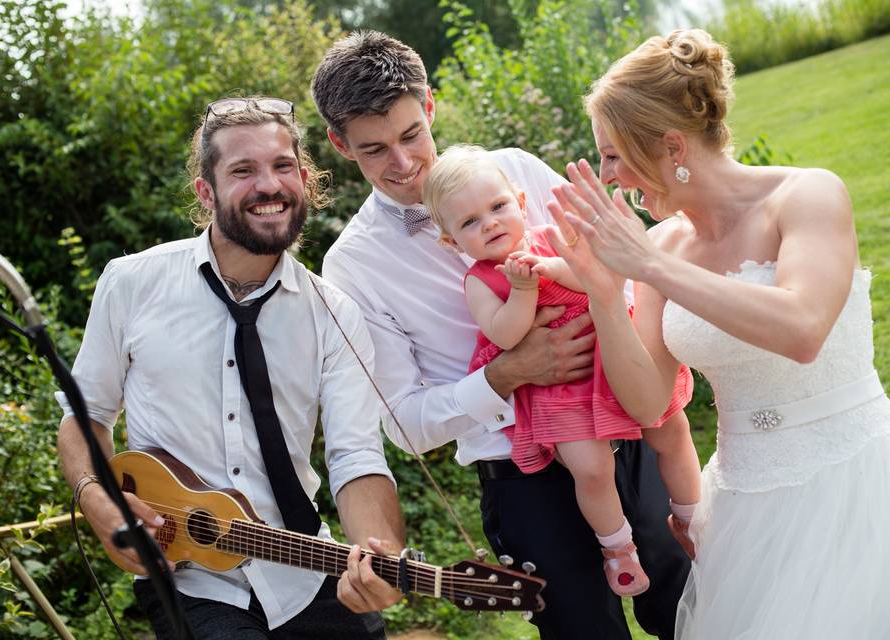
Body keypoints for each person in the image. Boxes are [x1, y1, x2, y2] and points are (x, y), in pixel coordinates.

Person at [548, 28, 890, 639]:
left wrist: (651, 267)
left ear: (672, 146)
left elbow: (802, 328)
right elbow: (650, 402)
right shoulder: (661, 246)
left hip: (859, 483)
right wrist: (604, 293)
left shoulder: (807, 195)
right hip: (743, 504)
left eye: (613, 154)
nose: (609, 178)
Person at [313, 31, 692, 639]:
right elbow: (407, 427)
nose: (404, 164)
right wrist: (508, 373)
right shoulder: (353, 267)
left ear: (430, 106)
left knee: (688, 608)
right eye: (375, 150)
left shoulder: (514, 169)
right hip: (522, 479)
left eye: (412, 135)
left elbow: (616, 270)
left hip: (620, 426)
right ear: (339, 144)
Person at [56, 96, 406, 639]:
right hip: (189, 580)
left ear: (305, 179)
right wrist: (95, 499)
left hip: (307, 570)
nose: (269, 185)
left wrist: (380, 556)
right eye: (243, 170)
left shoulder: (335, 314)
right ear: (206, 190)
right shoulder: (131, 283)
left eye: (282, 166)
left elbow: (355, 455)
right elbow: (88, 414)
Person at [422, 144, 700, 597]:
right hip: (561, 387)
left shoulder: (552, 238)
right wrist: (522, 290)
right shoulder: (481, 280)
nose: (489, 223)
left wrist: (551, 265)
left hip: (614, 354)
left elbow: (599, 280)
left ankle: (692, 516)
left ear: (521, 203)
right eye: (470, 222)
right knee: (590, 469)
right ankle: (618, 548)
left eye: (497, 207)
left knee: (670, 428)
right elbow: (506, 334)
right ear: (453, 241)